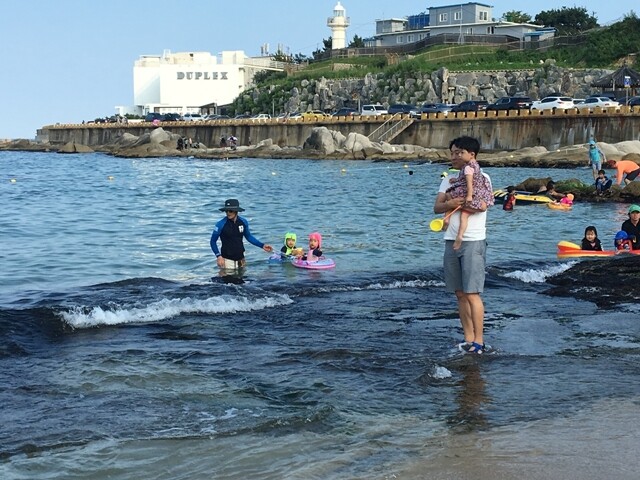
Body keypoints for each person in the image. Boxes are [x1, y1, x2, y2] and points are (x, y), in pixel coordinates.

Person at [434, 136, 491, 355]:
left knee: (472, 293)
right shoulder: (448, 180)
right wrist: (450, 203)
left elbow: (483, 205)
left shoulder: (482, 177)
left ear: (472, 155)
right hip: (450, 240)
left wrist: (464, 202)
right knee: (459, 293)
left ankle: (479, 340)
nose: (454, 157)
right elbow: (436, 207)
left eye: (458, 152)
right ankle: (467, 337)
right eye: (452, 153)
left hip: (473, 241)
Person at [444, 145, 494, 250]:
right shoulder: (477, 167)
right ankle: (460, 235)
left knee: (449, 195)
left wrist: (469, 195)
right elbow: (466, 179)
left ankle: (447, 218)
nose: (459, 156)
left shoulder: (468, 167)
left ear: (472, 155)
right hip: (479, 195)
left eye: (461, 153)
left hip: (469, 195)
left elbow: (469, 182)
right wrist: (456, 180)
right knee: (464, 217)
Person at [210, 199, 273, 269]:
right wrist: (218, 256)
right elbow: (213, 241)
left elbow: (249, 237)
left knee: (242, 279)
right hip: (227, 261)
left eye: (230, 211)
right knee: (227, 279)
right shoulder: (220, 224)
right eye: (226, 210)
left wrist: (262, 245)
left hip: (241, 260)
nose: (228, 213)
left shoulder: (243, 222)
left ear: (236, 211)